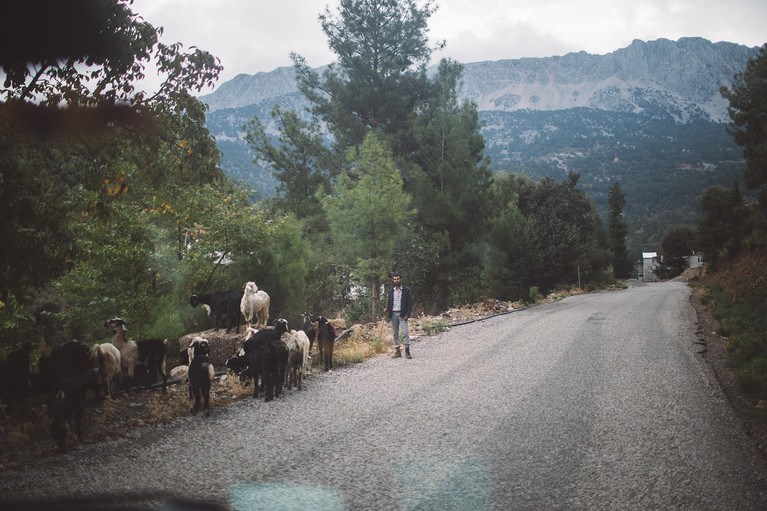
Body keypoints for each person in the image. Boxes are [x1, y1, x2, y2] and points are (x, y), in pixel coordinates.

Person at [383, 273, 413, 359]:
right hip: (393, 314)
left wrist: (407, 314)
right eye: (395, 279)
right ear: (393, 280)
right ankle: (397, 351)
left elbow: (410, 303)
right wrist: (386, 308)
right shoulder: (391, 290)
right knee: (395, 333)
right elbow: (389, 302)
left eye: (398, 279)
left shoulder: (406, 290)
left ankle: (407, 352)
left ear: (401, 279)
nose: (396, 281)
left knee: (405, 333)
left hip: (402, 314)